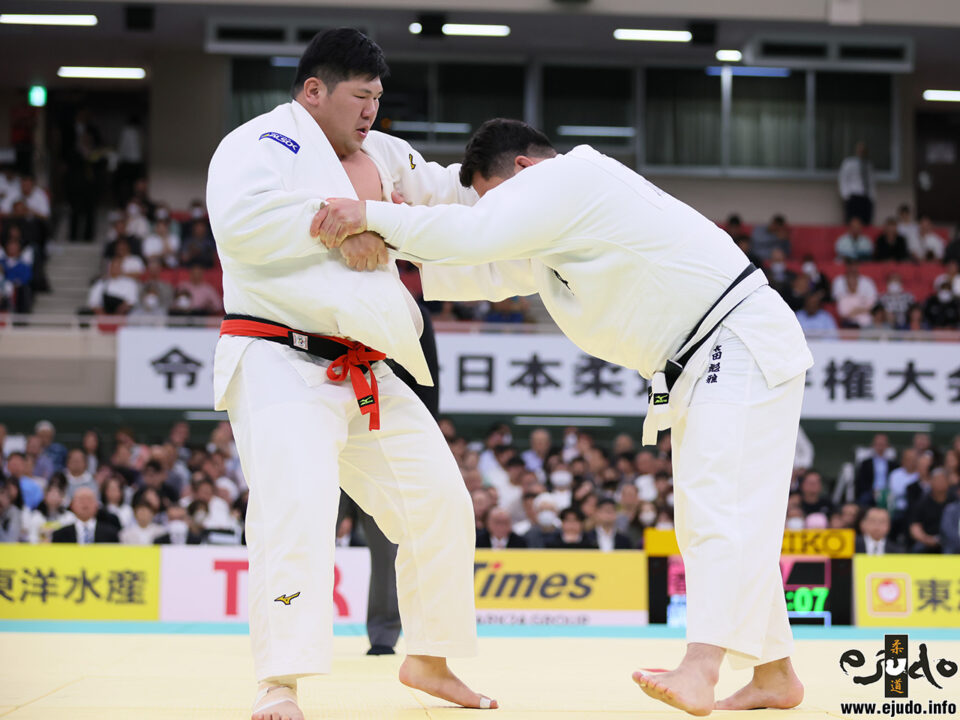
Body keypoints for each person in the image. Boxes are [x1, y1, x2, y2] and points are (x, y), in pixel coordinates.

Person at [317, 118, 813, 714]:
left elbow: (478, 234)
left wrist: (370, 215)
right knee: (721, 512)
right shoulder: (563, 232)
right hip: (711, 355)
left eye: (496, 197)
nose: (504, 214)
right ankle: (773, 674)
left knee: (718, 508)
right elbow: (488, 270)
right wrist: (397, 239)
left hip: (734, 341)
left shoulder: (571, 178)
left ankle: (701, 668)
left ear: (524, 169)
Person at [205, 28, 495, 720]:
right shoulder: (261, 143)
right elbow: (241, 222)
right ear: (314, 91)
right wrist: (336, 224)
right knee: (296, 511)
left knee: (442, 504)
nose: (371, 110)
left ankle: (429, 656)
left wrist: (522, 189)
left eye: (377, 97)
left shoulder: (385, 154)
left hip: (365, 367)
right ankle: (279, 684)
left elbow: (447, 198)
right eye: (360, 96)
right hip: (279, 357)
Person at [51, 486, 120, 543]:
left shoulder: (111, 534)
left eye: (89, 499)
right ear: (72, 505)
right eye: (81, 500)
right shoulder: (60, 535)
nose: (85, 503)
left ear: (97, 505)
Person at [838, 141, 875, 224]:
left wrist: (872, 197)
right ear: (856, 151)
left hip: (866, 196)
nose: (862, 152)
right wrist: (845, 195)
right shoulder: (849, 163)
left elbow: (871, 182)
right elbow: (843, 179)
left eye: (864, 151)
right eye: (860, 150)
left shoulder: (868, 165)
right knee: (852, 222)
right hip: (853, 196)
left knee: (866, 222)